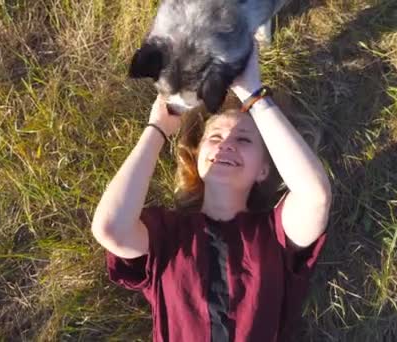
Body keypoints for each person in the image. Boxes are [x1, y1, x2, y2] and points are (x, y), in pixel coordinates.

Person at [91, 45, 332, 342]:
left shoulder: (275, 234)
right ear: (197, 157)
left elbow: (315, 196)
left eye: (243, 139)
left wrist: (253, 94)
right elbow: (111, 228)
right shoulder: (167, 235)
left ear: (264, 170)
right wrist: (157, 128)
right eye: (215, 137)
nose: (226, 144)